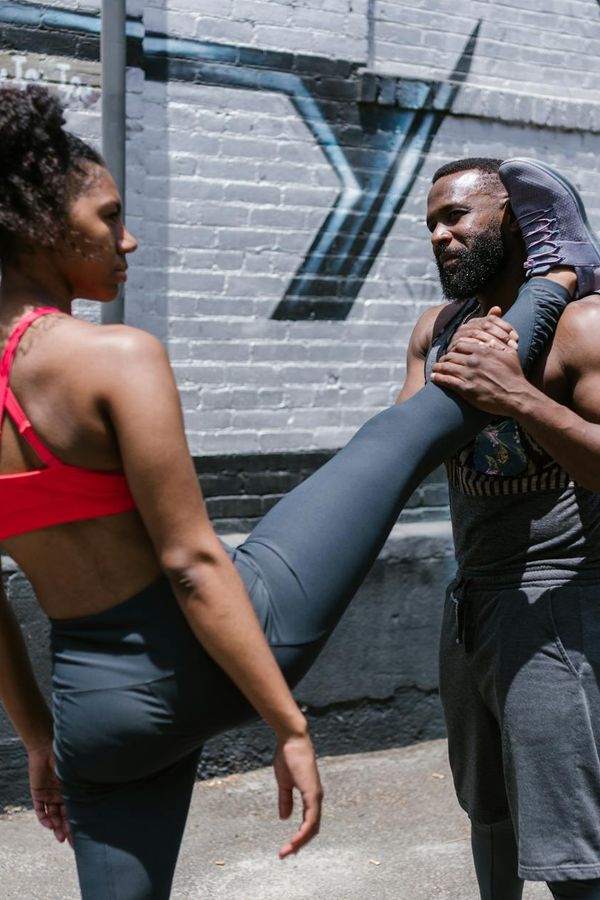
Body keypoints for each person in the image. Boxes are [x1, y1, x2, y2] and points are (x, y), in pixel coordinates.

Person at [0, 85, 577, 899]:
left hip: (90, 714)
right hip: (218, 652)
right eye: (106, 217)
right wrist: (287, 723)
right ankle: (551, 282)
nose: (126, 238)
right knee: (396, 438)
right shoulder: (111, 357)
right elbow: (193, 564)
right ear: (39, 224)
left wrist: (38, 739)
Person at [398, 154, 600, 900]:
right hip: (472, 602)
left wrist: (521, 399)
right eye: (431, 225)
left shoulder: (584, 329)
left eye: (457, 217)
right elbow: (407, 449)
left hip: (561, 603)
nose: (440, 237)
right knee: (490, 815)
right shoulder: (437, 327)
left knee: (572, 841)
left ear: (511, 220)